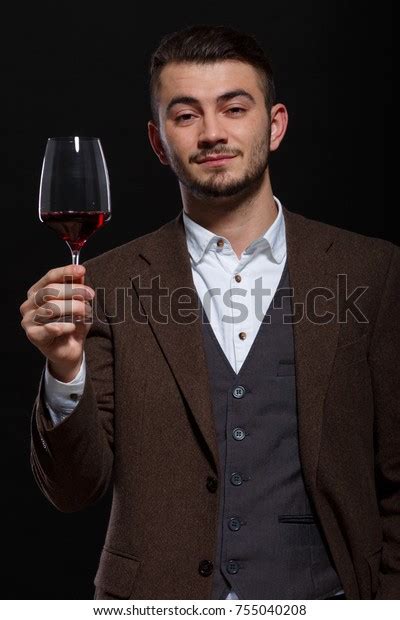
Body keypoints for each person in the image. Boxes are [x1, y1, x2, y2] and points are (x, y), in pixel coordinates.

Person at [20, 25, 399, 600]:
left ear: (274, 126)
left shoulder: (372, 270)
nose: (213, 133)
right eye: (186, 115)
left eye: (234, 108)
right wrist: (64, 370)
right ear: (158, 141)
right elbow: (73, 491)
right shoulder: (109, 284)